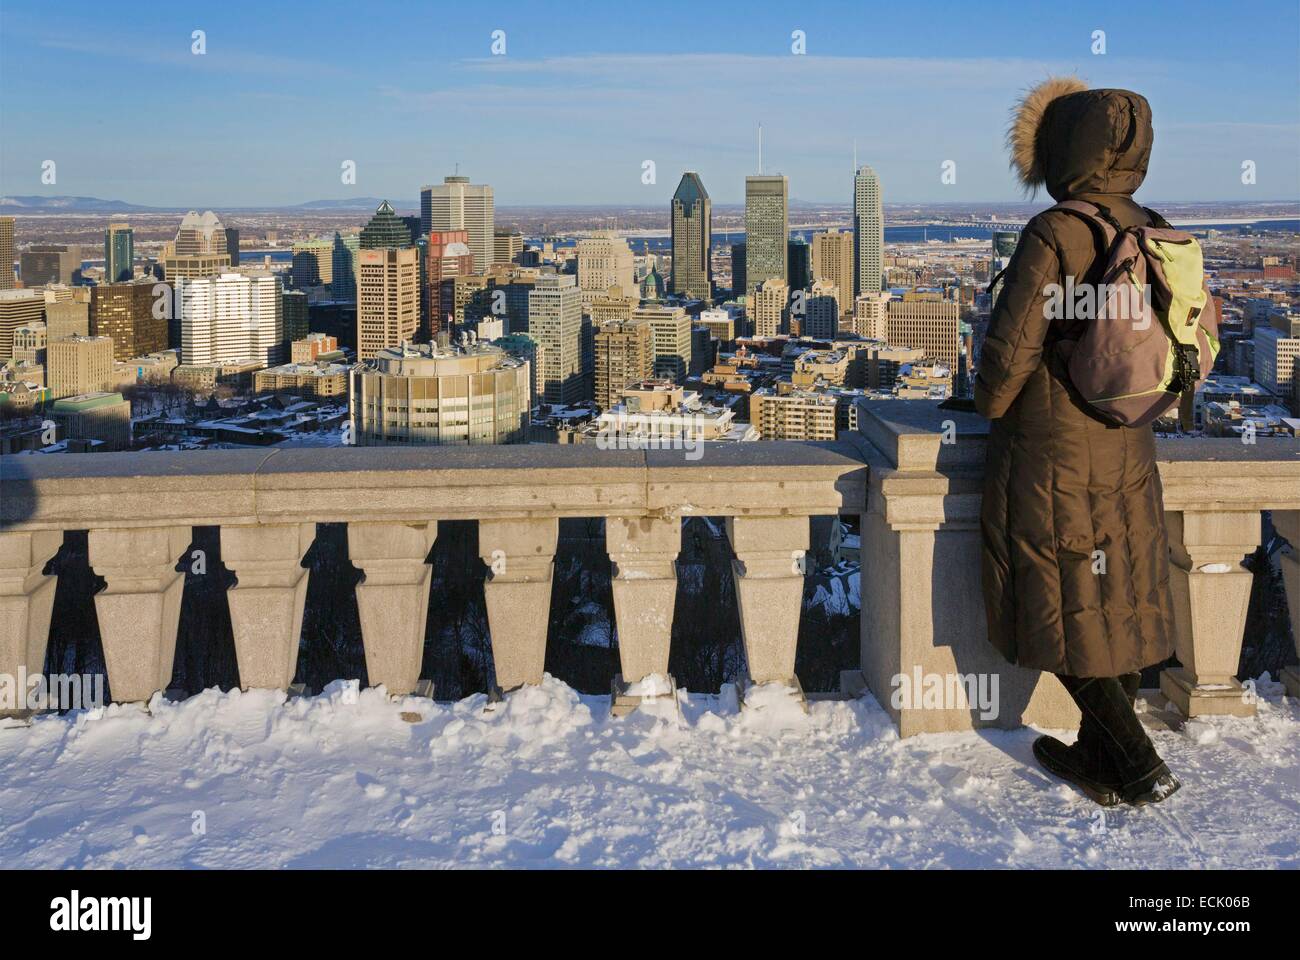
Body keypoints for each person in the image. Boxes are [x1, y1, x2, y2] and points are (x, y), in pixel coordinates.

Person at [974, 78, 1182, 807]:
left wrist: (985, 403)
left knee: (1057, 596)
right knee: (1109, 594)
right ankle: (1100, 756)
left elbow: (1009, 355)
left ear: (1060, 151)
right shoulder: (1150, 226)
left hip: (1051, 449)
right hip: (1126, 436)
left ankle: (1137, 762)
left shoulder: (1056, 233)